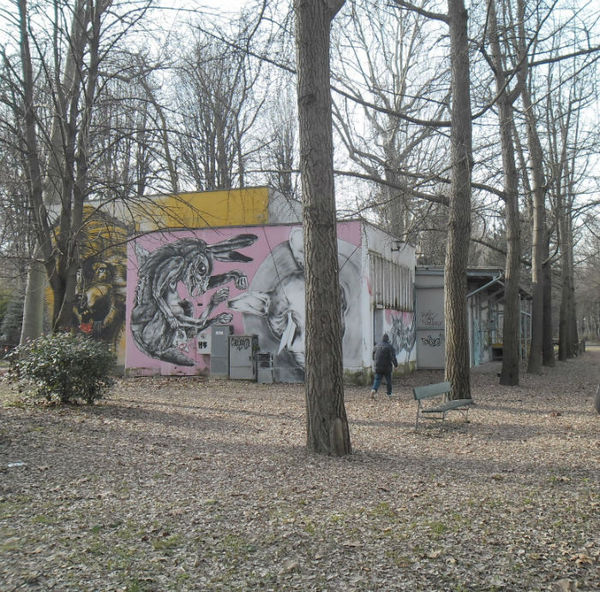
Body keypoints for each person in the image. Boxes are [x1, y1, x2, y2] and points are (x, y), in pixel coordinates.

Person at [370, 333, 398, 399]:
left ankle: (374, 389)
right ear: (388, 340)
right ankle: (389, 394)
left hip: (378, 366)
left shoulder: (376, 346)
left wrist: (376, 362)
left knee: (377, 379)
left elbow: (373, 356)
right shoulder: (390, 346)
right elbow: (393, 357)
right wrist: (396, 365)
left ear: (382, 339)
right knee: (388, 380)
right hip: (387, 367)